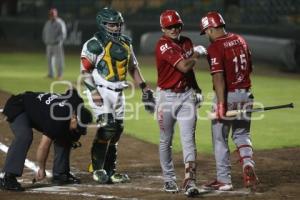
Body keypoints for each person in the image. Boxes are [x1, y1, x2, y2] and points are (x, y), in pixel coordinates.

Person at [80, 7, 155, 184]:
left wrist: (144, 88)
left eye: (118, 24)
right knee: (108, 128)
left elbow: (133, 67)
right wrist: (93, 91)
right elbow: (85, 70)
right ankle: (97, 169)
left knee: (117, 131)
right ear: (103, 24)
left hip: (118, 92)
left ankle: (110, 170)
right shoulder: (94, 44)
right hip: (100, 90)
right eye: (112, 25)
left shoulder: (126, 43)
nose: (116, 28)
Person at [199, 11, 259, 191]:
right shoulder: (240, 39)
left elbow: (219, 77)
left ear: (210, 29)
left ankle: (224, 180)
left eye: (206, 31)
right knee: (242, 134)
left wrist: (220, 104)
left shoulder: (215, 47)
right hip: (246, 94)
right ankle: (248, 164)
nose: (207, 35)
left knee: (220, 138)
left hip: (228, 95)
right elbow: (251, 67)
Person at [155, 10, 207, 197]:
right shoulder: (162, 45)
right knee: (166, 140)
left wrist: (197, 88)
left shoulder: (186, 41)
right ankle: (169, 179)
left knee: (188, 139)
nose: (174, 29)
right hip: (166, 98)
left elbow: (188, 72)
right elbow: (184, 65)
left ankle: (190, 180)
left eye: (177, 25)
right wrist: (198, 54)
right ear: (163, 28)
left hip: (186, 96)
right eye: (169, 26)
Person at [0, 89, 93, 191]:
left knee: (66, 134)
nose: (78, 130)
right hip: (19, 106)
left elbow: (71, 91)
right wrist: (41, 168)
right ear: (74, 117)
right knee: (24, 135)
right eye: (77, 126)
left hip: (37, 109)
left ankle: (60, 173)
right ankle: (8, 177)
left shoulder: (77, 103)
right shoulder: (57, 118)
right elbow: (43, 146)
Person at [42, 8, 67, 80]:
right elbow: (44, 32)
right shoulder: (48, 23)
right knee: (49, 60)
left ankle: (60, 75)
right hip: (49, 44)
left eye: (53, 14)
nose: (51, 16)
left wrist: (58, 41)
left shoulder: (60, 22)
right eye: (50, 14)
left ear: (56, 14)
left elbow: (63, 34)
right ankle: (51, 74)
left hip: (57, 45)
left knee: (59, 60)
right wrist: (45, 40)